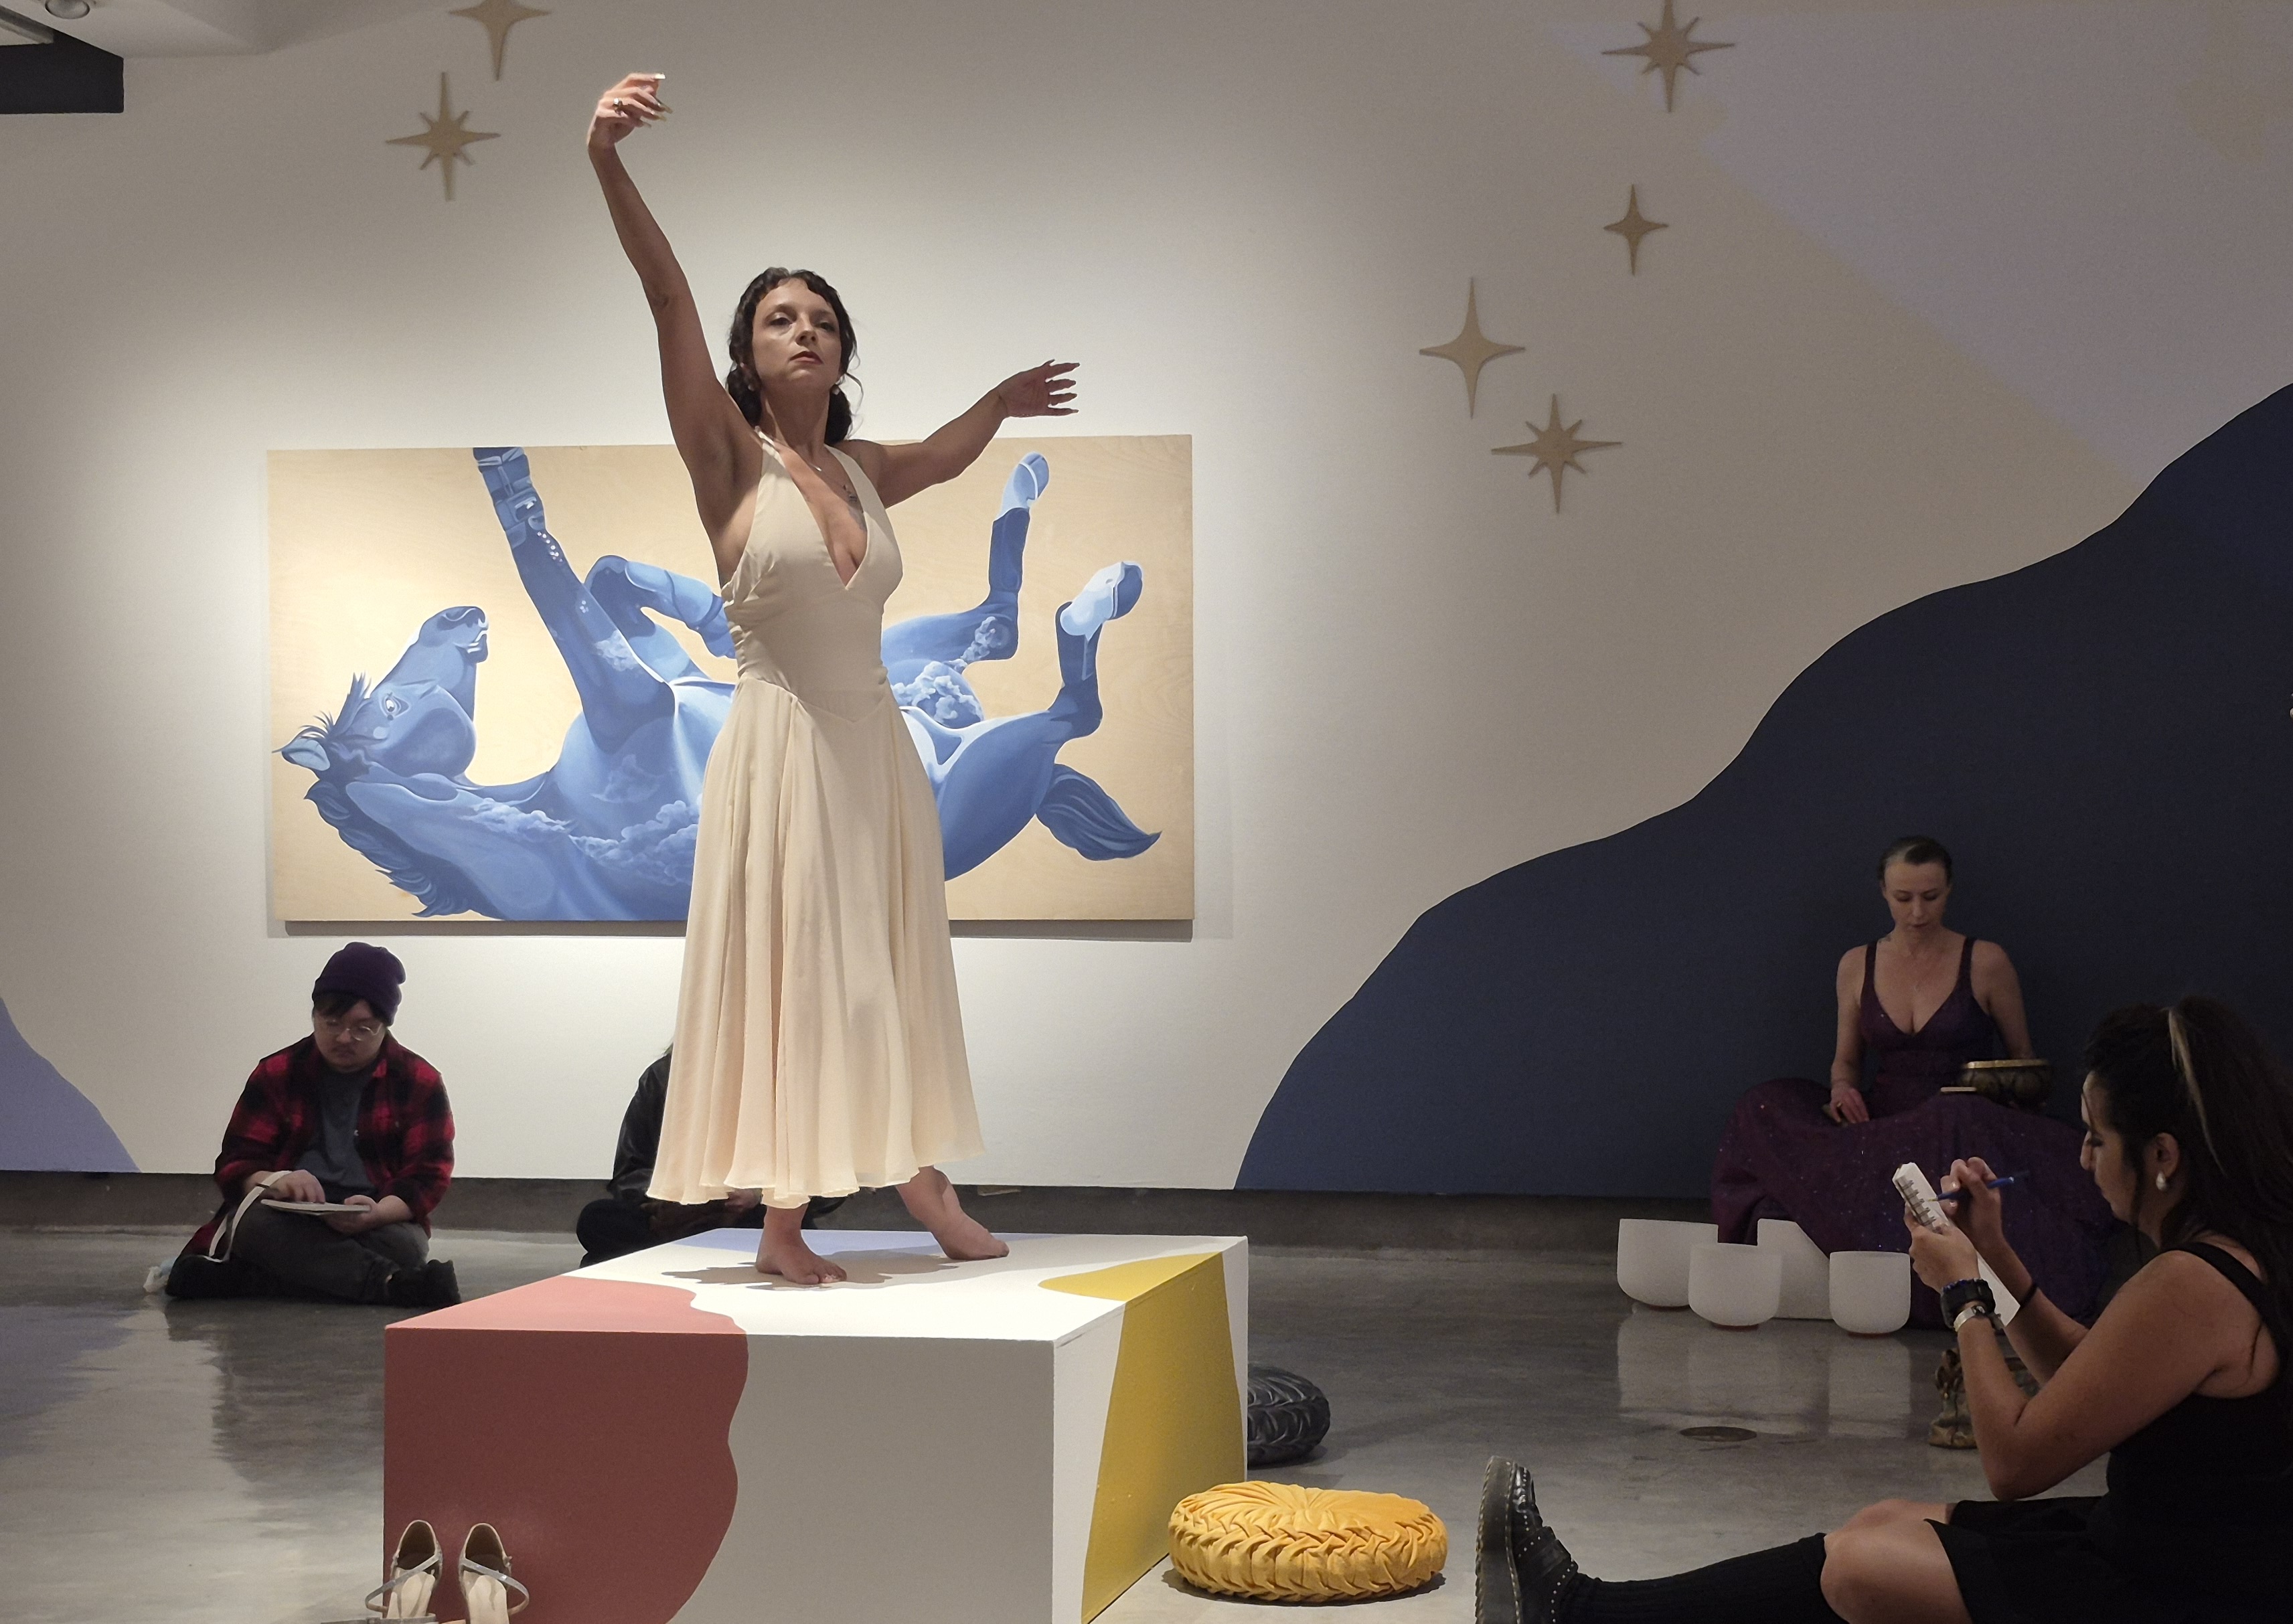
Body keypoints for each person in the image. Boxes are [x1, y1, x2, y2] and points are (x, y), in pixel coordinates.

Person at [586, 73, 1071, 1284]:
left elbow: (950, 459)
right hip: (784, 742)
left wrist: (1000, 403)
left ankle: (917, 1177)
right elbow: (664, 296)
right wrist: (606, 159)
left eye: (822, 318)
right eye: (779, 320)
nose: (805, 331)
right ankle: (792, 1219)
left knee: (889, 964)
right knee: (803, 968)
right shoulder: (726, 458)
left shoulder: (860, 469)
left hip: (874, 746)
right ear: (749, 358)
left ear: (844, 348)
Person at [1478, 994, 2293, 1624]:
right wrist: (1997, 1255)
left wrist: (1962, 1290)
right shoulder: (2231, 1255)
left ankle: (1578, 1612)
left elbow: (2012, 1462)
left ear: (2160, 1155)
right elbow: (2091, 1381)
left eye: (2094, 1138)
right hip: (2165, 1554)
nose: (2082, 1158)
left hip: (2171, 1591)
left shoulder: (2189, 1282)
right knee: (1884, 1521)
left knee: (1862, 1565)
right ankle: (1581, 1608)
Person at [1711, 836, 2114, 1325]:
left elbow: (2022, 1062)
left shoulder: (1985, 961)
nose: (1918, 912)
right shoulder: (1856, 963)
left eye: (1931, 897)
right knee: (1764, 1103)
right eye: (1904, 899)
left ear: (1949, 892)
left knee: (1952, 1114)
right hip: (1887, 1119)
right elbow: (1844, 1063)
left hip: (1966, 1119)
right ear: (1882, 892)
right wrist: (1842, 1091)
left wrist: (2007, 1095)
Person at [167, 943, 459, 1307]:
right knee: (254, 1228)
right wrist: (277, 1180)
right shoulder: (276, 1072)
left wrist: (377, 1213)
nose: (343, 1039)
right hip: (287, 1216)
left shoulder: (419, 1080)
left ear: (385, 1026)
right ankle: (390, 1284)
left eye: (362, 1029)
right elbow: (235, 1163)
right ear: (315, 1016)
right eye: (331, 1024)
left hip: (377, 1217)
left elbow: (428, 1177)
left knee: (403, 1247)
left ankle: (257, 1280)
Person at [574, 1050, 844, 1266]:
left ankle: (680, 1255)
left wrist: (758, 1193)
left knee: (792, 1226)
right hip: (672, 1217)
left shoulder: (783, 1078)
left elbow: (827, 1182)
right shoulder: (663, 1078)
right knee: (597, 1218)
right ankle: (707, 1251)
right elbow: (629, 1174)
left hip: (752, 1218)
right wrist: (683, 1191)